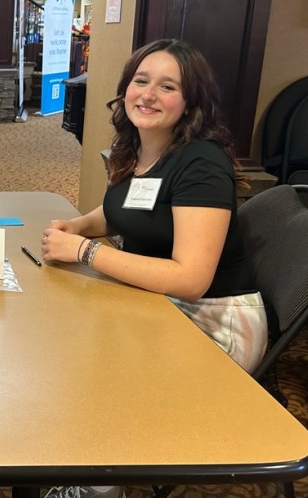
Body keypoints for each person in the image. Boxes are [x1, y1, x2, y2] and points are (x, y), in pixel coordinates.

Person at [40, 39, 267, 374]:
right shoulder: (138, 146)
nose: (148, 95)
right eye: (141, 81)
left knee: (86, 362)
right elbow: (128, 209)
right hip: (158, 300)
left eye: (167, 87)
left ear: (190, 103)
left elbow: (191, 280)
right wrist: (79, 226)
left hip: (213, 321)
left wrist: (85, 251)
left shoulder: (202, 163)